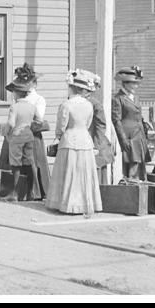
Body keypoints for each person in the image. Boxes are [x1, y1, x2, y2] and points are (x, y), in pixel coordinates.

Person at [47, 69, 103, 218]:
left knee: (68, 173)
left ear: (72, 88)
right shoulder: (89, 105)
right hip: (85, 139)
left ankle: (65, 203)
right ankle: (84, 203)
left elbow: (61, 126)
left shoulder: (66, 105)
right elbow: (88, 123)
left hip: (69, 139)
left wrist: (59, 136)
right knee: (83, 173)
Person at [0, 64, 49, 201]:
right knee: (23, 162)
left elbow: (38, 120)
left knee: (27, 163)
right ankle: (21, 191)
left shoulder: (38, 100)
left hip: (29, 135)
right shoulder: (21, 102)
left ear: (34, 84)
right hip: (25, 134)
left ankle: (32, 191)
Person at [112, 66, 151, 180]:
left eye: (137, 83)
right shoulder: (117, 99)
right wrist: (123, 139)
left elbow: (138, 115)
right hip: (129, 137)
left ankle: (140, 190)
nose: (136, 86)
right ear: (125, 83)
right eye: (133, 83)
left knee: (140, 166)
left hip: (139, 136)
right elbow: (116, 120)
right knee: (131, 168)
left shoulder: (135, 98)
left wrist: (144, 124)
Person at [86, 70, 115, 185]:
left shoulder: (95, 104)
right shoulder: (76, 102)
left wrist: (96, 146)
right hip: (83, 141)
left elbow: (100, 126)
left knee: (96, 176)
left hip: (94, 141)